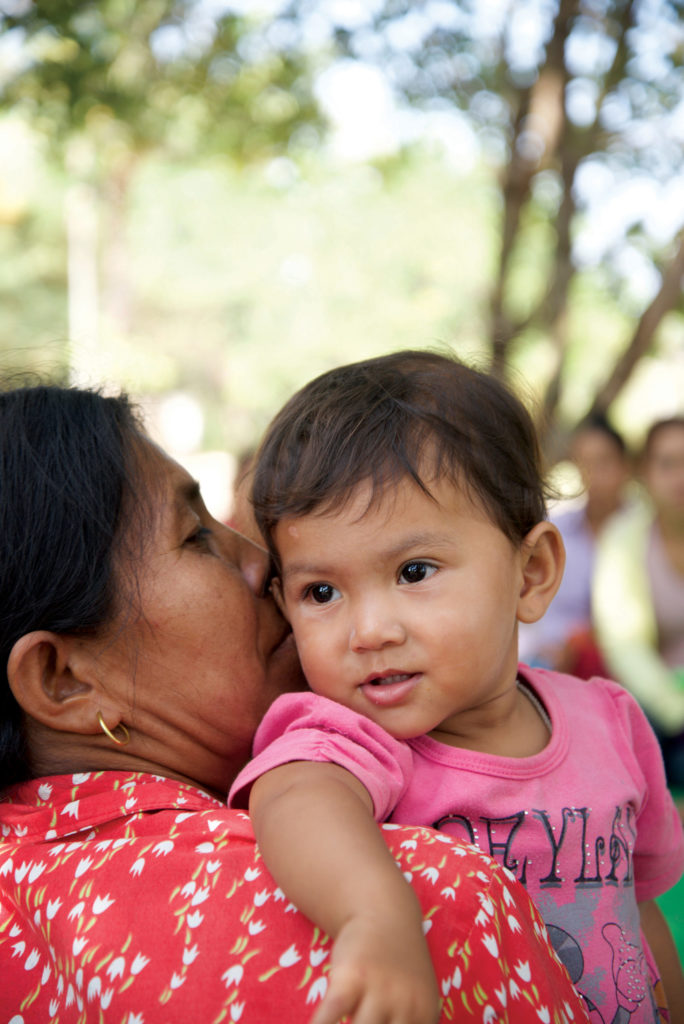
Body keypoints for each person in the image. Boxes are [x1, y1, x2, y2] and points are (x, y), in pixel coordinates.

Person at [0, 383, 592, 1024]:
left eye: (415, 571)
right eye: (198, 537)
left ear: (532, 570)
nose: (266, 569)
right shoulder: (421, 908)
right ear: (65, 680)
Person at [229, 350, 684, 1024]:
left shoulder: (610, 720)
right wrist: (372, 916)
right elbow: (295, 799)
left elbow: (640, 913)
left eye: (414, 572)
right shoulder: (354, 740)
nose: (369, 631)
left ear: (531, 573)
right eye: (321, 592)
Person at [594, 416, 684, 789]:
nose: (680, 477)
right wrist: (676, 709)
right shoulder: (624, 540)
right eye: (668, 464)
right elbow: (624, 646)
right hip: (659, 704)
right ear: (645, 473)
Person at [519, 414, 633, 678]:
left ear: (625, 466)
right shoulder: (554, 532)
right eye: (584, 463)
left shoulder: (644, 532)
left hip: (624, 663)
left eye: (603, 462)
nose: (593, 475)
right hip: (552, 659)